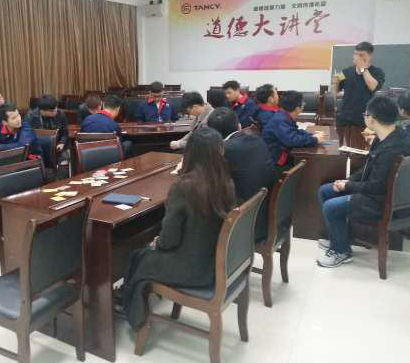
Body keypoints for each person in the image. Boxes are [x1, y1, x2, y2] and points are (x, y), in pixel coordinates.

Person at [121, 127, 235, 330]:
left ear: (189, 153)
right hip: (216, 262)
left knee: (137, 256)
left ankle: (135, 316)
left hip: (192, 269)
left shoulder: (183, 186)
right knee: (141, 255)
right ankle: (128, 301)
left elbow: (169, 240)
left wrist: (157, 243)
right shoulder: (226, 181)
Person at [316, 96, 410, 268]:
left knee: (330, 207)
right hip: (387, 194)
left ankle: (341, 251)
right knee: (326, 190)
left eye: (365, 114)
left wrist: (347, 185)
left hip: (385, 202)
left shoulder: (390, 151)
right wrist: (347, 181)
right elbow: (369, 170)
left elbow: (375, 187)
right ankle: (339, 238)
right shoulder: (395, 136)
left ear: (372, 119)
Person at [207, 107, 277, 242]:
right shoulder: (257, 139)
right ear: (239, 125)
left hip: (243, 226)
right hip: (266, 218)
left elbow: (208, 181)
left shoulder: (224, 150)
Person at [333, 41, 385, 147]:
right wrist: (334, 83)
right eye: (355, 54)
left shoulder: (377, 72)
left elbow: (373, 86)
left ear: (369, 56)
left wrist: (363, 68)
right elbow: (335, 91)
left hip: (363, 121)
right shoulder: (346, 71)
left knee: (360, 150)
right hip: (344, 119)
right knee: (341, 149)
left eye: (361, 55)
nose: (357, 57)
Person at [262, 91, 325, 167]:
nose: (304, 104)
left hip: (283, 156)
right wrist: (315, 139)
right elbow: (292, 140)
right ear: (297, 108)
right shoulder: (280, 120)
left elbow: (294, 132)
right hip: (277, 163)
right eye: (303, 102)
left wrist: (312, 135)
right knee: (312, 164)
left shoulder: (283, 115)